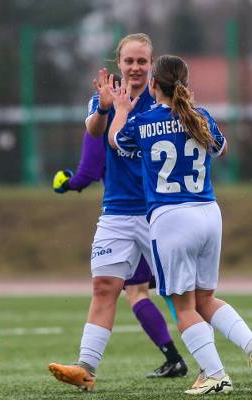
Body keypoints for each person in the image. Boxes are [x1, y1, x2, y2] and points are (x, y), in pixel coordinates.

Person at [107, 55, 252, 395]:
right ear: (185, 85)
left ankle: (215, 374)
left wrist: (121, 109)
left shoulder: (143, 121)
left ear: (153, 85)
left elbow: (114, 141)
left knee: (183, 305)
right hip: (209, 212)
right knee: (205, 299)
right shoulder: (201, 116)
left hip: (171, 218)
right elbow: (221, 150)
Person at [48, 33, 187, 392]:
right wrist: (104, 109)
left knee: (186, 293)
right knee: (104, 287)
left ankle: (219, 364)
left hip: (159, 212)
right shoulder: (105, 96)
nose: (136, 68)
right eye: (129, 61)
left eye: (142, 61)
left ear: (152, 65)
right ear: (119, 64)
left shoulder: (162, 101)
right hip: (115, 213)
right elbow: (94, 133)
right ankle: (85, 368)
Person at [52, 132, 186, 379]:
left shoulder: (105, 119)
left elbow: (87, 173)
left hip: (136, 216)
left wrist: (66, 183)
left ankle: (178, 358)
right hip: (161, 212)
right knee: (176, 291)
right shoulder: (152, 113)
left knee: (146, 292)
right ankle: (192, 360)